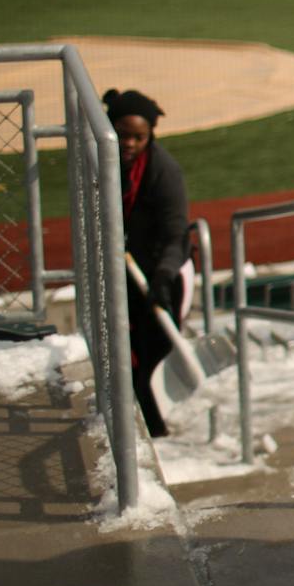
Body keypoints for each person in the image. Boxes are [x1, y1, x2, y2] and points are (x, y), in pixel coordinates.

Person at [105, 88, 191, 439]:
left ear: (150, 135)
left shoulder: (164, 172)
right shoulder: (102, 162)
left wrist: (163, 276)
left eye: (139, 137)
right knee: (123, 353)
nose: (129, 144)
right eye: (123, 135)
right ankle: (132, 427)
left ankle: (156, 431)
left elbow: (175, 234)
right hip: (122, 270)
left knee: (154, 350)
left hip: (162, 270)